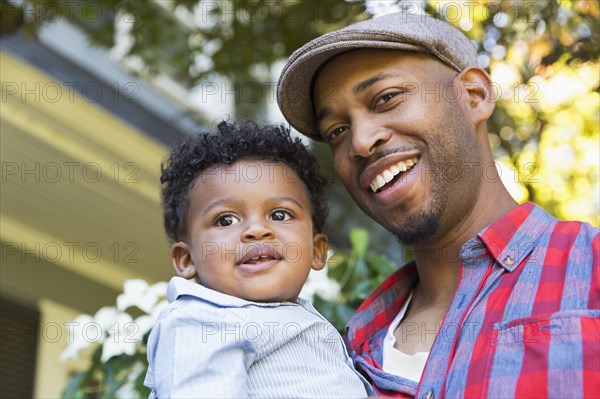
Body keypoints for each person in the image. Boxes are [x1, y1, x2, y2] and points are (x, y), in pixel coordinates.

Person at [277, 11, 599, 398]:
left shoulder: (590, 268)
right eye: (338, 131)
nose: (360, 142)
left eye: (386, 98)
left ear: (474, 96)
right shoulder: (343, 356)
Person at [143, 121, 373, 398]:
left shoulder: (297, 320)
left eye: (279, 215)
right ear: (186, 258)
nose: (256, 230)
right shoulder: (201, 320)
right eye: (225, 219)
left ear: (317, 250)